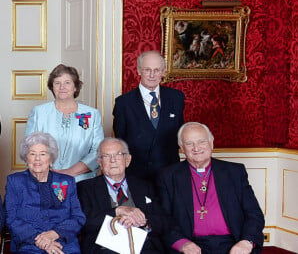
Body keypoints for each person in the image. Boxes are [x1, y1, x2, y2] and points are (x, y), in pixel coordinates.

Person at [157, 122, 265, 254]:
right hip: (190, 244)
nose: (196, 148)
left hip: (233, 243)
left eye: (202, 141)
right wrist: (182, 244)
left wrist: (246, 242)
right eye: (189, 143)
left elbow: (254, 214)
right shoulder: (168, 176)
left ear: (211, 143)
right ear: (181, 147)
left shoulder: (235, 172)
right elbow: (163, 218)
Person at [77, 137, 171, 253]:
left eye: (118, 155)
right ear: (99, 163)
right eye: (106, 156)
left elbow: (164, 221)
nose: (113, 160)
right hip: (104, 249)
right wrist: (117, 211)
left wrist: (144, 221)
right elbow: (83, 223)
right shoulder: (85, 188)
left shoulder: (145, 186)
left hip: (144, 247)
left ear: (127, 160)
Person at [5, 132, 86, 253]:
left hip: (63, 242)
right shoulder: (15, 181)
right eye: (32, 154)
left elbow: (78, 217)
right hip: (29, 244)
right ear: (26, 158)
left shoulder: (67, 181)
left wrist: (54, 234)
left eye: (43, 154)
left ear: (51, 158)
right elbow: (11, 218)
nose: (37, 159)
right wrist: (42, 242)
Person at [113, 50, 185, 182]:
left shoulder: (176, 98)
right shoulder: (123, 103)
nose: (152, 75)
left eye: (157, 70)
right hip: (137, 175)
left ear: (163, 72)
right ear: (139, 70)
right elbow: (120, 142)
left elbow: (180, 135)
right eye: (147, 70)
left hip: (170, 173)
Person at [25, 64, 104, 182]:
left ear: (75, 87)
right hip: (45, 179)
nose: (62, 87)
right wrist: (48, 173)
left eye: (67, 82)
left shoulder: (91, 114)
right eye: (57, 83)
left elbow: (98, 150)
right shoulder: (38, 112)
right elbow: (29, 148)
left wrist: (69, 172)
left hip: (82, 181)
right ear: (52, 87)